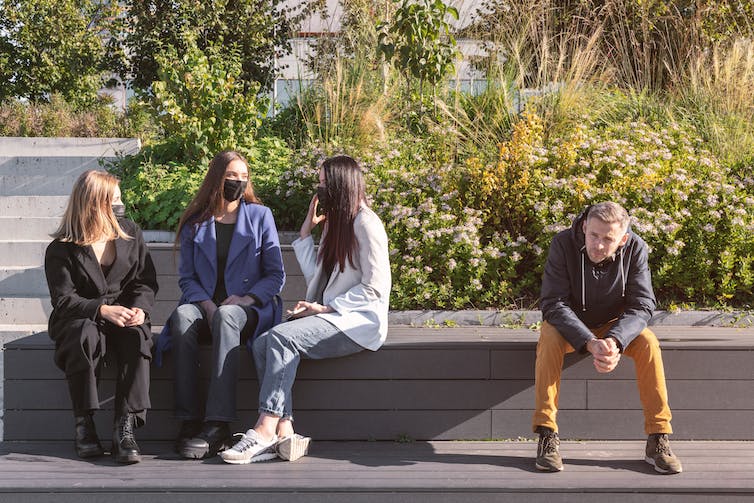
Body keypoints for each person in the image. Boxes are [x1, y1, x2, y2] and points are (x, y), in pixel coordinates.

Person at [218, 154, 391, 464]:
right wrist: (303, 237)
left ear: (341, 185)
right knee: (261, 343)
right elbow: (318, 278)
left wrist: (326, 308)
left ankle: (265, 427)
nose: (319, 188)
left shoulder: (367, 224)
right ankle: (286, 433)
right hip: (333, 315)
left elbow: (375, 287)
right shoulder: (336, 225)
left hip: (358, 322)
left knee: (282, 338)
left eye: (324, 183)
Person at [533, 201, 682, 474]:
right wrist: (589, 341)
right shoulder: (562, 243)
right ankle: (547, 434)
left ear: (623, 239)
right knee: (550, 337)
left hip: (614, 327)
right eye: (593, 235)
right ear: (585, 226)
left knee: (648, 342)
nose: (598, 245)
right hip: (569, 326)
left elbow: (642, 305)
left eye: (608, 239)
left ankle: (658, 437)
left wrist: (614, 340)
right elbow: (552, 303)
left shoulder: (636, 247)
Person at [157, 150, 285, 459]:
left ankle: (217, 425)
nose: (238, 183)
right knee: (183, 317)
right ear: (217, 179)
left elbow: (276, 274)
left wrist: (247, 298)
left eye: (244, 178)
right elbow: (186, 279)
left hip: (248, 311)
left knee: (228, 315)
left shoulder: (260, 216)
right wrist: (206, 305)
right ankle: (188, 421)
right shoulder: (194, 222)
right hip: (204, 308)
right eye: (232, 177)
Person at [44, 170, 158, 463]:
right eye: (114, 200)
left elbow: (144, 281)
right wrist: (102, 309)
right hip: (80, 317)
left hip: (124, 315)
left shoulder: (131, 233)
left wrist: (139, 310)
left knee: (137, 336)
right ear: (94, 204)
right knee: (85, 335)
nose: (121, 206)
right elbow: (64, 299)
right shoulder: (61, 249)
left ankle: (125, 427)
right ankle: (85, 424)